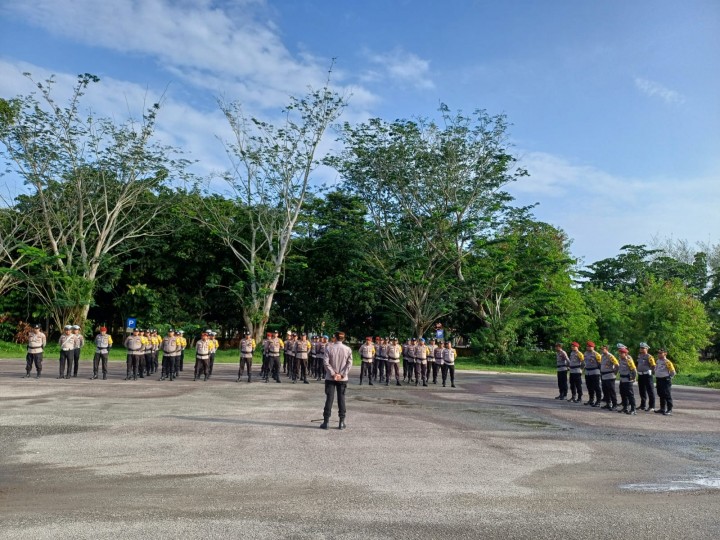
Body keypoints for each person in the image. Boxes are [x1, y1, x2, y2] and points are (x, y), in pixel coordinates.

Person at [320, 331, 353, 430]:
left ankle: (326, 422)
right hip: (342, 379)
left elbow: (325, 362)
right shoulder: (347, 349)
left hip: (330, 378)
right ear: (343, 338)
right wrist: (342, 374)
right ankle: (341, 422)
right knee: (341, 399)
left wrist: (333, 374)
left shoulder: (329, 348)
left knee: (329, 399)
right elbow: (349, 363)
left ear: (335, 337)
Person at [654, 348, 676, 416]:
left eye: (661, 353)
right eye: (658, 353)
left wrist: (669, 378)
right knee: (660, 394)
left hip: (665, 380)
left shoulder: (667, 362)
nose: (659, 354)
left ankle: (669, 409)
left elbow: (673, 372)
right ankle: (662, 408)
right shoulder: (658, 361)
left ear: (665, 353)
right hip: (659, 379)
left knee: (667, 394)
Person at [617, 345, 638, 415]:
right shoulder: (620, 359)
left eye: (621, 353)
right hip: (622, 379)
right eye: (619, 353)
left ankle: (633, 409)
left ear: (625, 354)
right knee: (623, 394)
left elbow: (634, 370)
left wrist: (633, 378)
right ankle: (625, 407)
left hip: (627, 379)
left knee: (630, 395)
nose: (620, 354)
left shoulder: (629, 361)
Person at [636, 342, 656, 411]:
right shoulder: (639, 356)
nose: (641, 349)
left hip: (647, 375)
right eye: (640, 348)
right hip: (641, 375)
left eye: (643, 348)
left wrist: (652, 373)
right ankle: (643, 405)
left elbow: (653, 365)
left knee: (650, 390)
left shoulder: (649, 356)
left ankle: (651, 406)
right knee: (642, 391)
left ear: (646, 349)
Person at [599, 345, 619, 410]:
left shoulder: (610, 356)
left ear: (607, 349)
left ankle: (614, 404)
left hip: (610, 375)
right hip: (604, 376)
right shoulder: (602, 356)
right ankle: (608, 403)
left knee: (611, 391)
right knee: (605, 391)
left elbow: (617, 365)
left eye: (603, 349)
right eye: (601, 349)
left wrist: (615, 373)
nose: (601, 350)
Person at [583, 341, 602, 406]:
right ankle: (591, 400)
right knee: (589, 387)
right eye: (587, 346)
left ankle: (598, 401)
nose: (587, 347)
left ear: (593, 347)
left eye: (589, 346)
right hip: (588, 372)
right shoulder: (585, 353)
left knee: (596, 387)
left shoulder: (596, 354)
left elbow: (600, 364)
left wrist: (600, 372)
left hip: (595, 372)